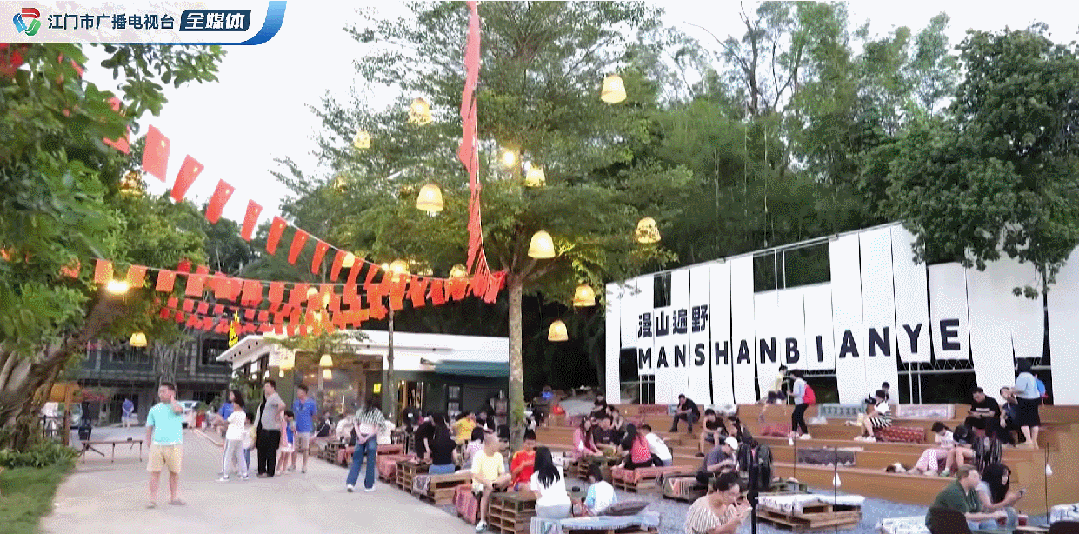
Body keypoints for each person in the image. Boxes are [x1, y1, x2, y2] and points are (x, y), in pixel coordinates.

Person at [926, 465, 1007, 531]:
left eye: (979, 477)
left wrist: (992, 515)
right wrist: (992, 515)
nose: (978, 480)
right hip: (938, 522)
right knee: (971, 525)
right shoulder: (954, 491)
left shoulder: (972, 490)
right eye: (975, 477)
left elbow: (977, 512)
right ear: (964, 477)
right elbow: (965, 516)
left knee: (990, 523)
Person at [145, 382, 185, 508]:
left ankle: (173, 498)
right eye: (159, 391)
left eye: (163, 391)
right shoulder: (154, 409)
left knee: (174, 473)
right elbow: (149, 425)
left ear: (172, 392)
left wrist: (172, 399)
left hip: (175, 445)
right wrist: (148, 440)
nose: (160, 394)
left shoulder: (179, 405)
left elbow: (177, 410)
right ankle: (152, 500)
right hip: (158, 445)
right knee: (154, 473)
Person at [684, 472, 752, 534]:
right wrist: (733, 523)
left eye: (736, 495)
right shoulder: (703, 508)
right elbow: (713, 532)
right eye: (731, 494)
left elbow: (731, 531)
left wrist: (739, 517)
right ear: (719, 491)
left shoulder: (729, 507)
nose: (734, 499)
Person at [471, 433, 512, 532]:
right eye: (497, 443)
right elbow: (475, 474)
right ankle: (482, 520)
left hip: (495, 482)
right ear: (489, 444)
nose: (499, 445)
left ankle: (494, 486)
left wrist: (496, 481)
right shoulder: (479, 455)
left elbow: (502, 473)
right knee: (487, 488)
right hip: (481, 483)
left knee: (508, 476)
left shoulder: (498, 456)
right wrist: (487, 482)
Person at [346, 395, 386, 492]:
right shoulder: (377, 413)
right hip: (371, 437)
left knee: (356, 460)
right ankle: (369, 485)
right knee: (370, 461)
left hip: (360, 436)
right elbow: (376, 429)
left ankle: (351, 483)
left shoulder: (360, 411)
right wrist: (367, 438)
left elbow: (356, 424)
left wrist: (359, 435)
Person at [975, 463, 1023, 531]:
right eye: (1004, 475)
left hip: (992, 514)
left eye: (1007, 475)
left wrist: (1015, 499)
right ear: (995, 475)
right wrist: (1006, 501)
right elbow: (988, 508)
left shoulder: (999, 487)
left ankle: (1010, 531)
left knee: (1011, 511)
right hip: (981, 516)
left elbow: (1002, 505)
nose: (1006, 478)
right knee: (991, 522)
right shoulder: (982, 486)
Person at [254, 379, 287, 478]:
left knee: (269, 451)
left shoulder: (274, 397)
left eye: (267, 386)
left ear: (273, 388)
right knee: (263, 450)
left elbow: (282, 405)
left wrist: (277, 414)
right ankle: (263, 470)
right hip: (265, 428)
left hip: (271, 429)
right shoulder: (268, 399)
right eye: (265, 386)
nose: (265, 388)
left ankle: (269, 471)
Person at [530, 446, 572, 520]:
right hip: (564, 506)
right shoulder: (559, 470)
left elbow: (537, 495)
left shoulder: (535, 475)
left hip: (545, 508)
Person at [218, 392, 248, 482]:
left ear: (237, 405)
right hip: (239, 437)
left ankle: (225, 475)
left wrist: (220, 421)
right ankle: (245, 474)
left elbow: (227, 421)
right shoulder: (243, 414)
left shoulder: (234, 414)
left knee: (228, 455)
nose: (233, 405)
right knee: (240, 455)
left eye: (234, 404)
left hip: (231, 436)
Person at [1013, 360, 1041, 448]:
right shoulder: (1032, 376)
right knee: (1034, 421)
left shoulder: (1021, 376)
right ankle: (1034, 441)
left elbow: (1020, 389)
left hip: (1024, 400)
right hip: (1035, 399)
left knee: (1024, 421)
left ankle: (1028, 440)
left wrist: (1011, 391)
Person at [292, 384, 317, 473]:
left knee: (305, 448)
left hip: (306, 428)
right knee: (294, 448)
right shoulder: (296, 402)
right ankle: (293, 464)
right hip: (296, 428)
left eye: (299, 391)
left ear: (304, 392)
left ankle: (304, 466)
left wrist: (312, 428)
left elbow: (314, 415)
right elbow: (293, 415)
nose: (298, 393)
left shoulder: (311, 403)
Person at [790, 370, 811, 439]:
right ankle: (795, 432)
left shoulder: (797, 382)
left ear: (794, 375)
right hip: (804, 402)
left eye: (791, 374)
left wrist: (789, 393)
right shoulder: (803, 381)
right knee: (796, 416)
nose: (790, 376)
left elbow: (796, 393)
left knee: (797, 417)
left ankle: (805, 433)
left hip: (800, 402)